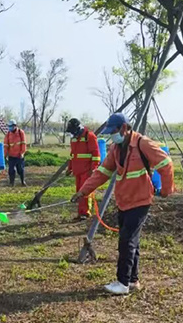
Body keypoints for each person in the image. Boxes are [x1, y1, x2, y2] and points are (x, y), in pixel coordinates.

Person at [72, 113, 175, 295]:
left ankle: (122, 282)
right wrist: (83, 191)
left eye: (114, 131)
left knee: (126, 241)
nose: (113, 135)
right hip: (124, 201)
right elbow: (102, 172)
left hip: (140, 200)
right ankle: (133, 280)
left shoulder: (143, 144)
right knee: (132, 241)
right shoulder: (116, 149)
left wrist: (166, 190)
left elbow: (166, 164)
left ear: (125, 128)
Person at [65, 118, 101, 220]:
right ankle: (80, 212)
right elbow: (73, 155)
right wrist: (70, 168)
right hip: (77, 171)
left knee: (85, 192)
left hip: (87, 171)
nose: (72, 134)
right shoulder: (74, 139)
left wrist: (93, 169)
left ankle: (85, 213)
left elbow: (96, 155)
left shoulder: (89, 137)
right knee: (78, 192)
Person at [4, 120, 27, 187]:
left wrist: (22, 153)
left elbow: (23, 143)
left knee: (20, 169)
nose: (10, 128)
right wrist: (5, 155)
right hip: (11, 155)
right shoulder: (8, 134)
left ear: (15, 126)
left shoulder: (20, 132)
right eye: (9, 126)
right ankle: (12, 183)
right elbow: (6, 145)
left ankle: (22, 181)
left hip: (19, 155)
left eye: (11, 126)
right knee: (11, 170)